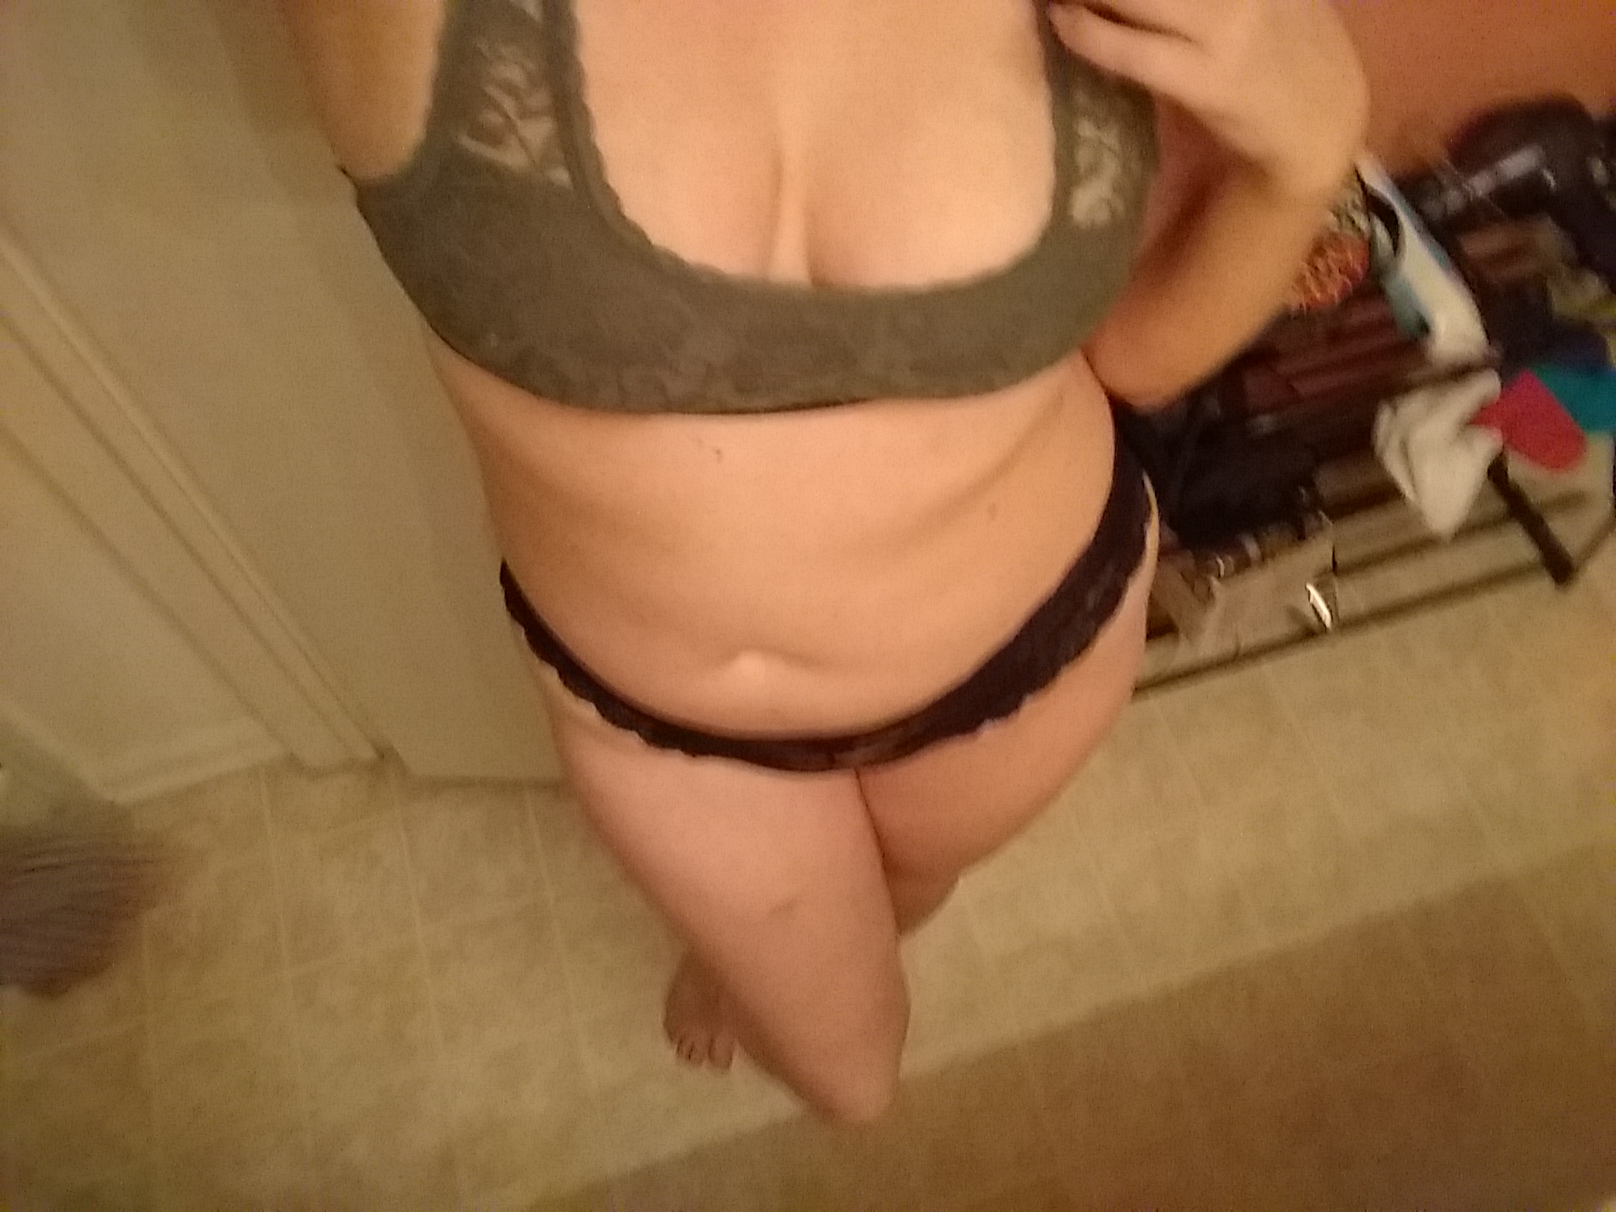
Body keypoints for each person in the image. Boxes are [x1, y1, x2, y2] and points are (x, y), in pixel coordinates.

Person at [278, 0, 1367, 1122]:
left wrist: (1305, 158)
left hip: (1032, 646)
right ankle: (762, 964)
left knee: (908, 891)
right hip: (679, 733)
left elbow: (1135, 356)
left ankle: (830, 930)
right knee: (850, 1078)